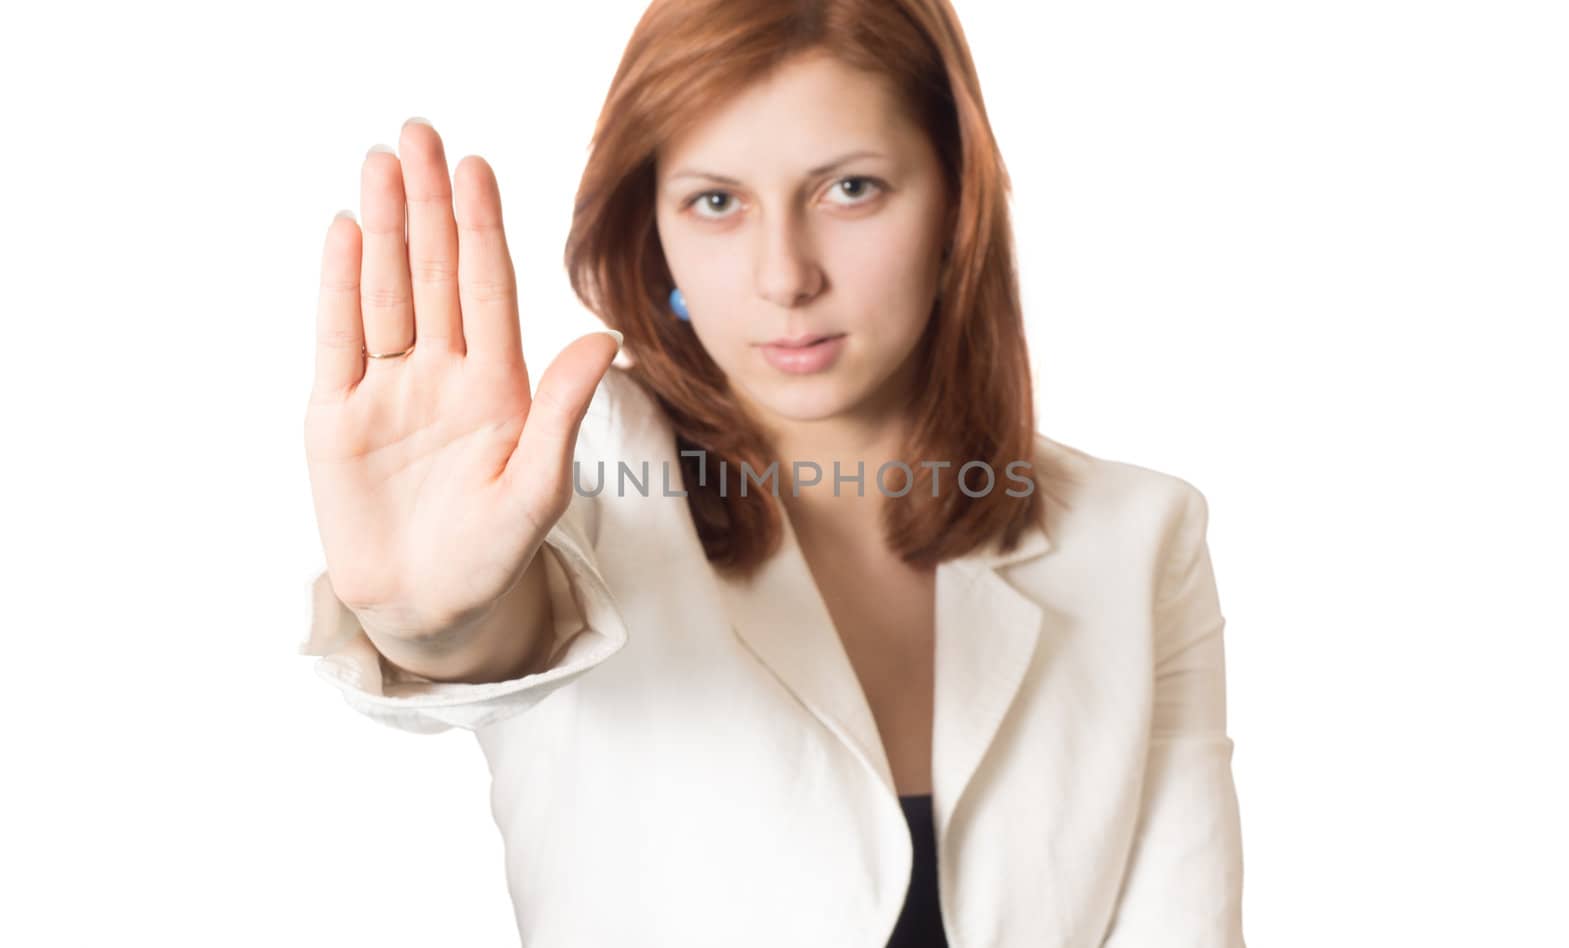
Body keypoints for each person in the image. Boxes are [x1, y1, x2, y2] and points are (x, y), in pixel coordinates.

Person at [300, 1, 1246, 945]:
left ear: (958, 204)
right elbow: (496, 633)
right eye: (717, 202)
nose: (785, 276)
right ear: (653, 230)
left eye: (851, 190)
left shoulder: (1137, 537)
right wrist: (430, 624)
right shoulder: (573, 477)